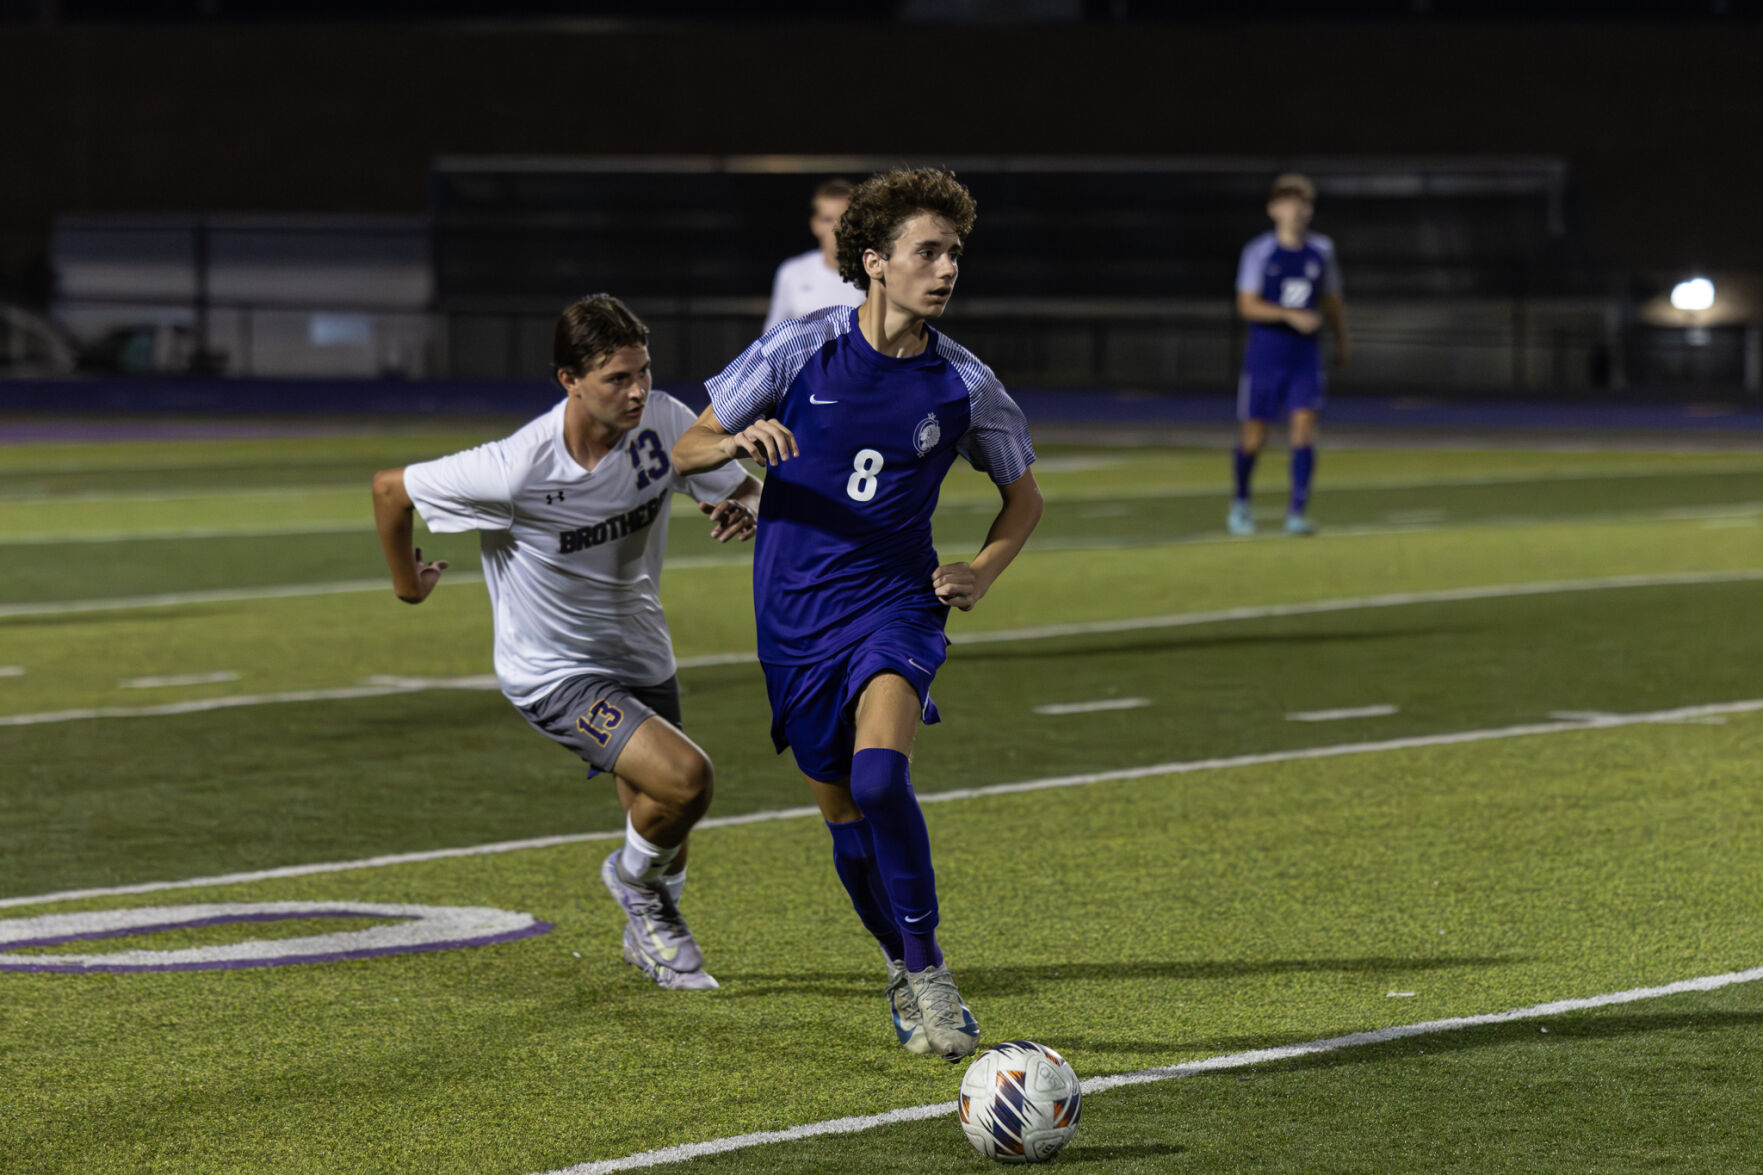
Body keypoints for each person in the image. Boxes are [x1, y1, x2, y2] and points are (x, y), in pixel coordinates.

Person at [673, 168, 1043, 1062]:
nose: (946, 267)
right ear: (875, 262)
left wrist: (983, 570)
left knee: (880, 782)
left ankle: (931, 973)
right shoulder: (798, 349)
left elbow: (1022, 497)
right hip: (795, 619)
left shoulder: (964, 382)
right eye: (927, 251)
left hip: (896, 607)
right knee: (841, 816)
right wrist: (734, 447)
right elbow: (684, 444)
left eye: (954, 251)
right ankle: (898, 961)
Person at [371, 294, 762, 991]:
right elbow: (389, 490)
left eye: (642, 371)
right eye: (617, 377)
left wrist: (739, 502)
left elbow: (738, 487)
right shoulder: (516, 467)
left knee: (660, 817)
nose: (638, 389)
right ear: (569, 381)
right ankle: (633, 888)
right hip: (553, 671)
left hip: (641, 649)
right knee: (687, 779)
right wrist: (407, 587)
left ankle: (647, 922)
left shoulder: (665, 420)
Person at [1230, 172, 1349, 536]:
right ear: (1274, 209)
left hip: (1305, 356)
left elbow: (1331, 301)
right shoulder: (1259, 252)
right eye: (1289, 202)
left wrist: (1343, 340)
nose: (1297, 209)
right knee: (1254, 437)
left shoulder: (1321, 251)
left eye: (1303, 202)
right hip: (1266, 355)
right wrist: (1288, 315)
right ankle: (1241, 502)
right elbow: (1247, 305)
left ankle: (1296, 512)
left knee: (1304, 429)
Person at [763, 178, 867, 331]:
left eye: (845, 219)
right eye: (828, 219)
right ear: (815, 224)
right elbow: (772, 335)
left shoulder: (873, 275)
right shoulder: (791, 273)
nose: (837, 229)